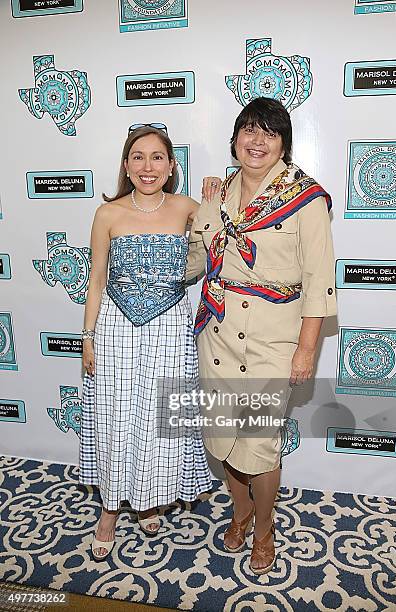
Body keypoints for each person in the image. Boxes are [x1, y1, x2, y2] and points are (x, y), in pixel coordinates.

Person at [186, 97, 336, 575]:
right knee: (222, 436)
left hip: (274, 339)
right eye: (248, 131)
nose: (257, 141)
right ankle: (240, 509)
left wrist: (307, 349)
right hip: (218, 333)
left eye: (269, 133)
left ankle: (265, 527)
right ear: (234, 141)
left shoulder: (305, 198)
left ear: (284, 146)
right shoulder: (216, 195)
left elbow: (318, 279)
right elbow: (193, 261)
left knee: (259, 443)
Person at [79, 125, 211, 561]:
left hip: (171, 327)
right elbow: (96, 278)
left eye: (158, 157)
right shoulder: (108, 214)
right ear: (126, 165)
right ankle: (110, 510)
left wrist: (216, 190)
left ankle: (149, 499)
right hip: (117, 326)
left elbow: (235, 218)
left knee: (160, 418)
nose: (148, 166)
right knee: (115, 418)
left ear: (172, 165)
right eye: (138, 157)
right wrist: (88, 336)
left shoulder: (189, 208)